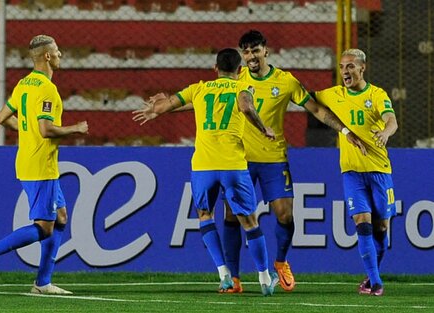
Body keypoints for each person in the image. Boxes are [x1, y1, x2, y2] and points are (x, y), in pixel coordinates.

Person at [133, 30, 365, 293]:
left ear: (266, 51)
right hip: (239, 159)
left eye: (255, 50)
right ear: (241, 57)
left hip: (273, 158)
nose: (251, 56)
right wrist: (164, 107)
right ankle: (234, 278)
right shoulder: (237, 77)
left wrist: (345, 131)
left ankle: (281, 262)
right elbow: (209, 102)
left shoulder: (285, 81)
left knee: (285, 215)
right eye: (246, 52)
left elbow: (316, 109)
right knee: (232, 218)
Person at [143, 48, 279, 295]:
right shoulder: (241, 89)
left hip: (203, 165)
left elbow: (162, 108)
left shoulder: (199, 88)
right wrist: (263, 129)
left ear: (215, 69)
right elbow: (247, 108)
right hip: (232, 165)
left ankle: (224, 275)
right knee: (249, 220)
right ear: (240, 71)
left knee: (205, 215)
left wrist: (159, 103)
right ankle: (263, 278)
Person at [0, 34, 89, 294]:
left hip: (30, 159)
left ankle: (42, 283)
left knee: (59, 217)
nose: (60, 55)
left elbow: (2, 117)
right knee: (45, 228)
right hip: (39, 164)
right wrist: (75, 128)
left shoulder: (24, 84)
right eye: (57, 51)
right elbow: (46, 130)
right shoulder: (47, 89)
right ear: (47, 56)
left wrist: (26, 133)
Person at [313, 48, 398, 296]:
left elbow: (391, 119)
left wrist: (385, 132)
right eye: (341, 67)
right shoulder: (333, 95)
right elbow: (305, 99)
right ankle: (376, 283)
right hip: (351, 172)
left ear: (362, 68)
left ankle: (372, 277)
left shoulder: (377, 94)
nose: (345, 72)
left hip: (379, 170)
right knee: (362, 223)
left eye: (350, 66)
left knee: (382, 228)